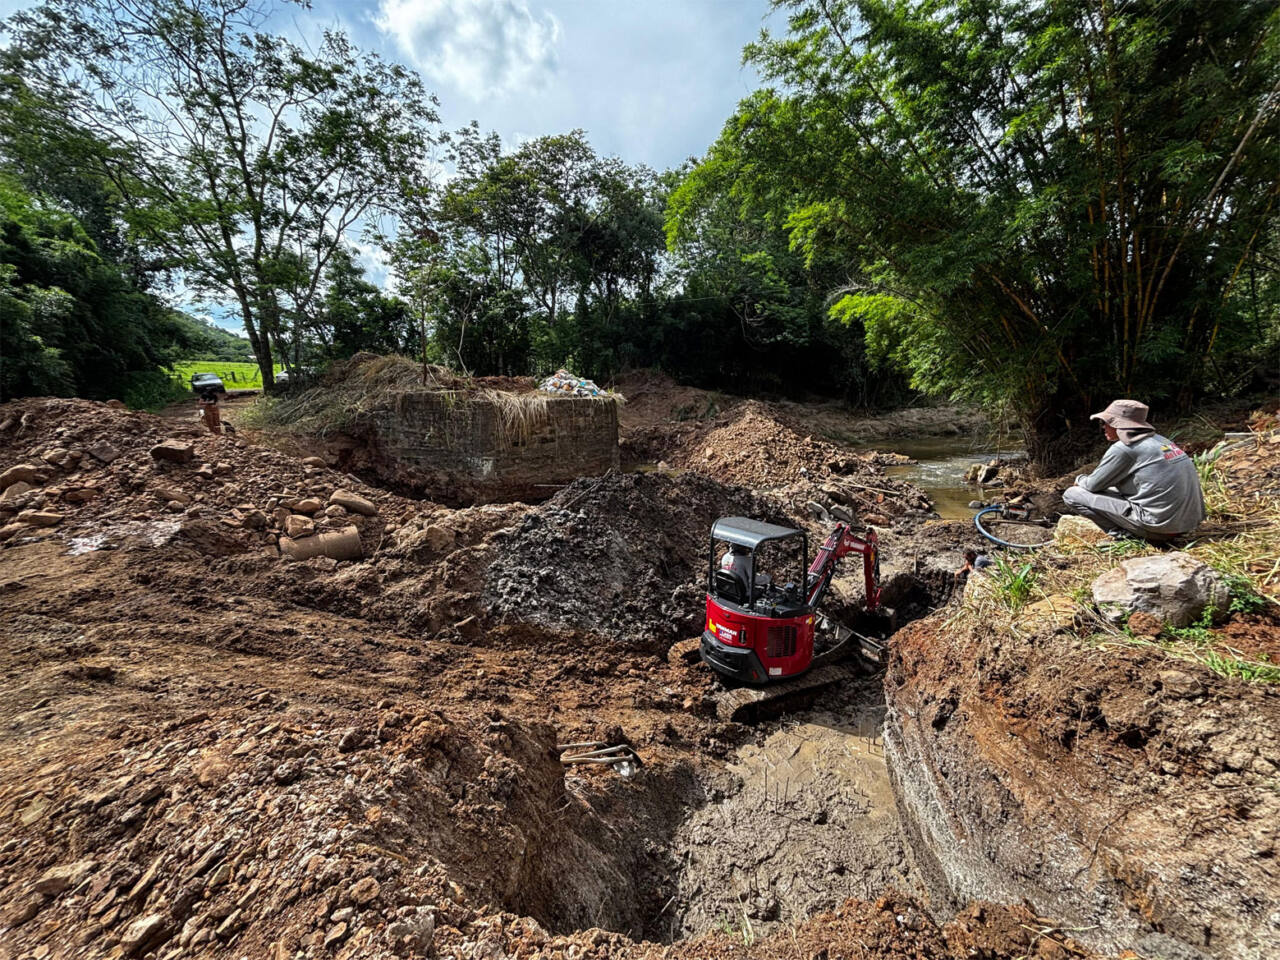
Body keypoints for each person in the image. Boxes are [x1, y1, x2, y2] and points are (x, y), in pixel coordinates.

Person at [1062, 399, 1204, 542]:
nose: (1103, 427)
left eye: (1105, 422)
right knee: (1109, 487)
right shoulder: (1162, 441)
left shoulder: (1125, 448)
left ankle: (1126, 536)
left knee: (1072, 494)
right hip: (1186, 525)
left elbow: (1092, 485)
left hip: (1160, 528)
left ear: (1118, 424)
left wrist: (1079, 479)